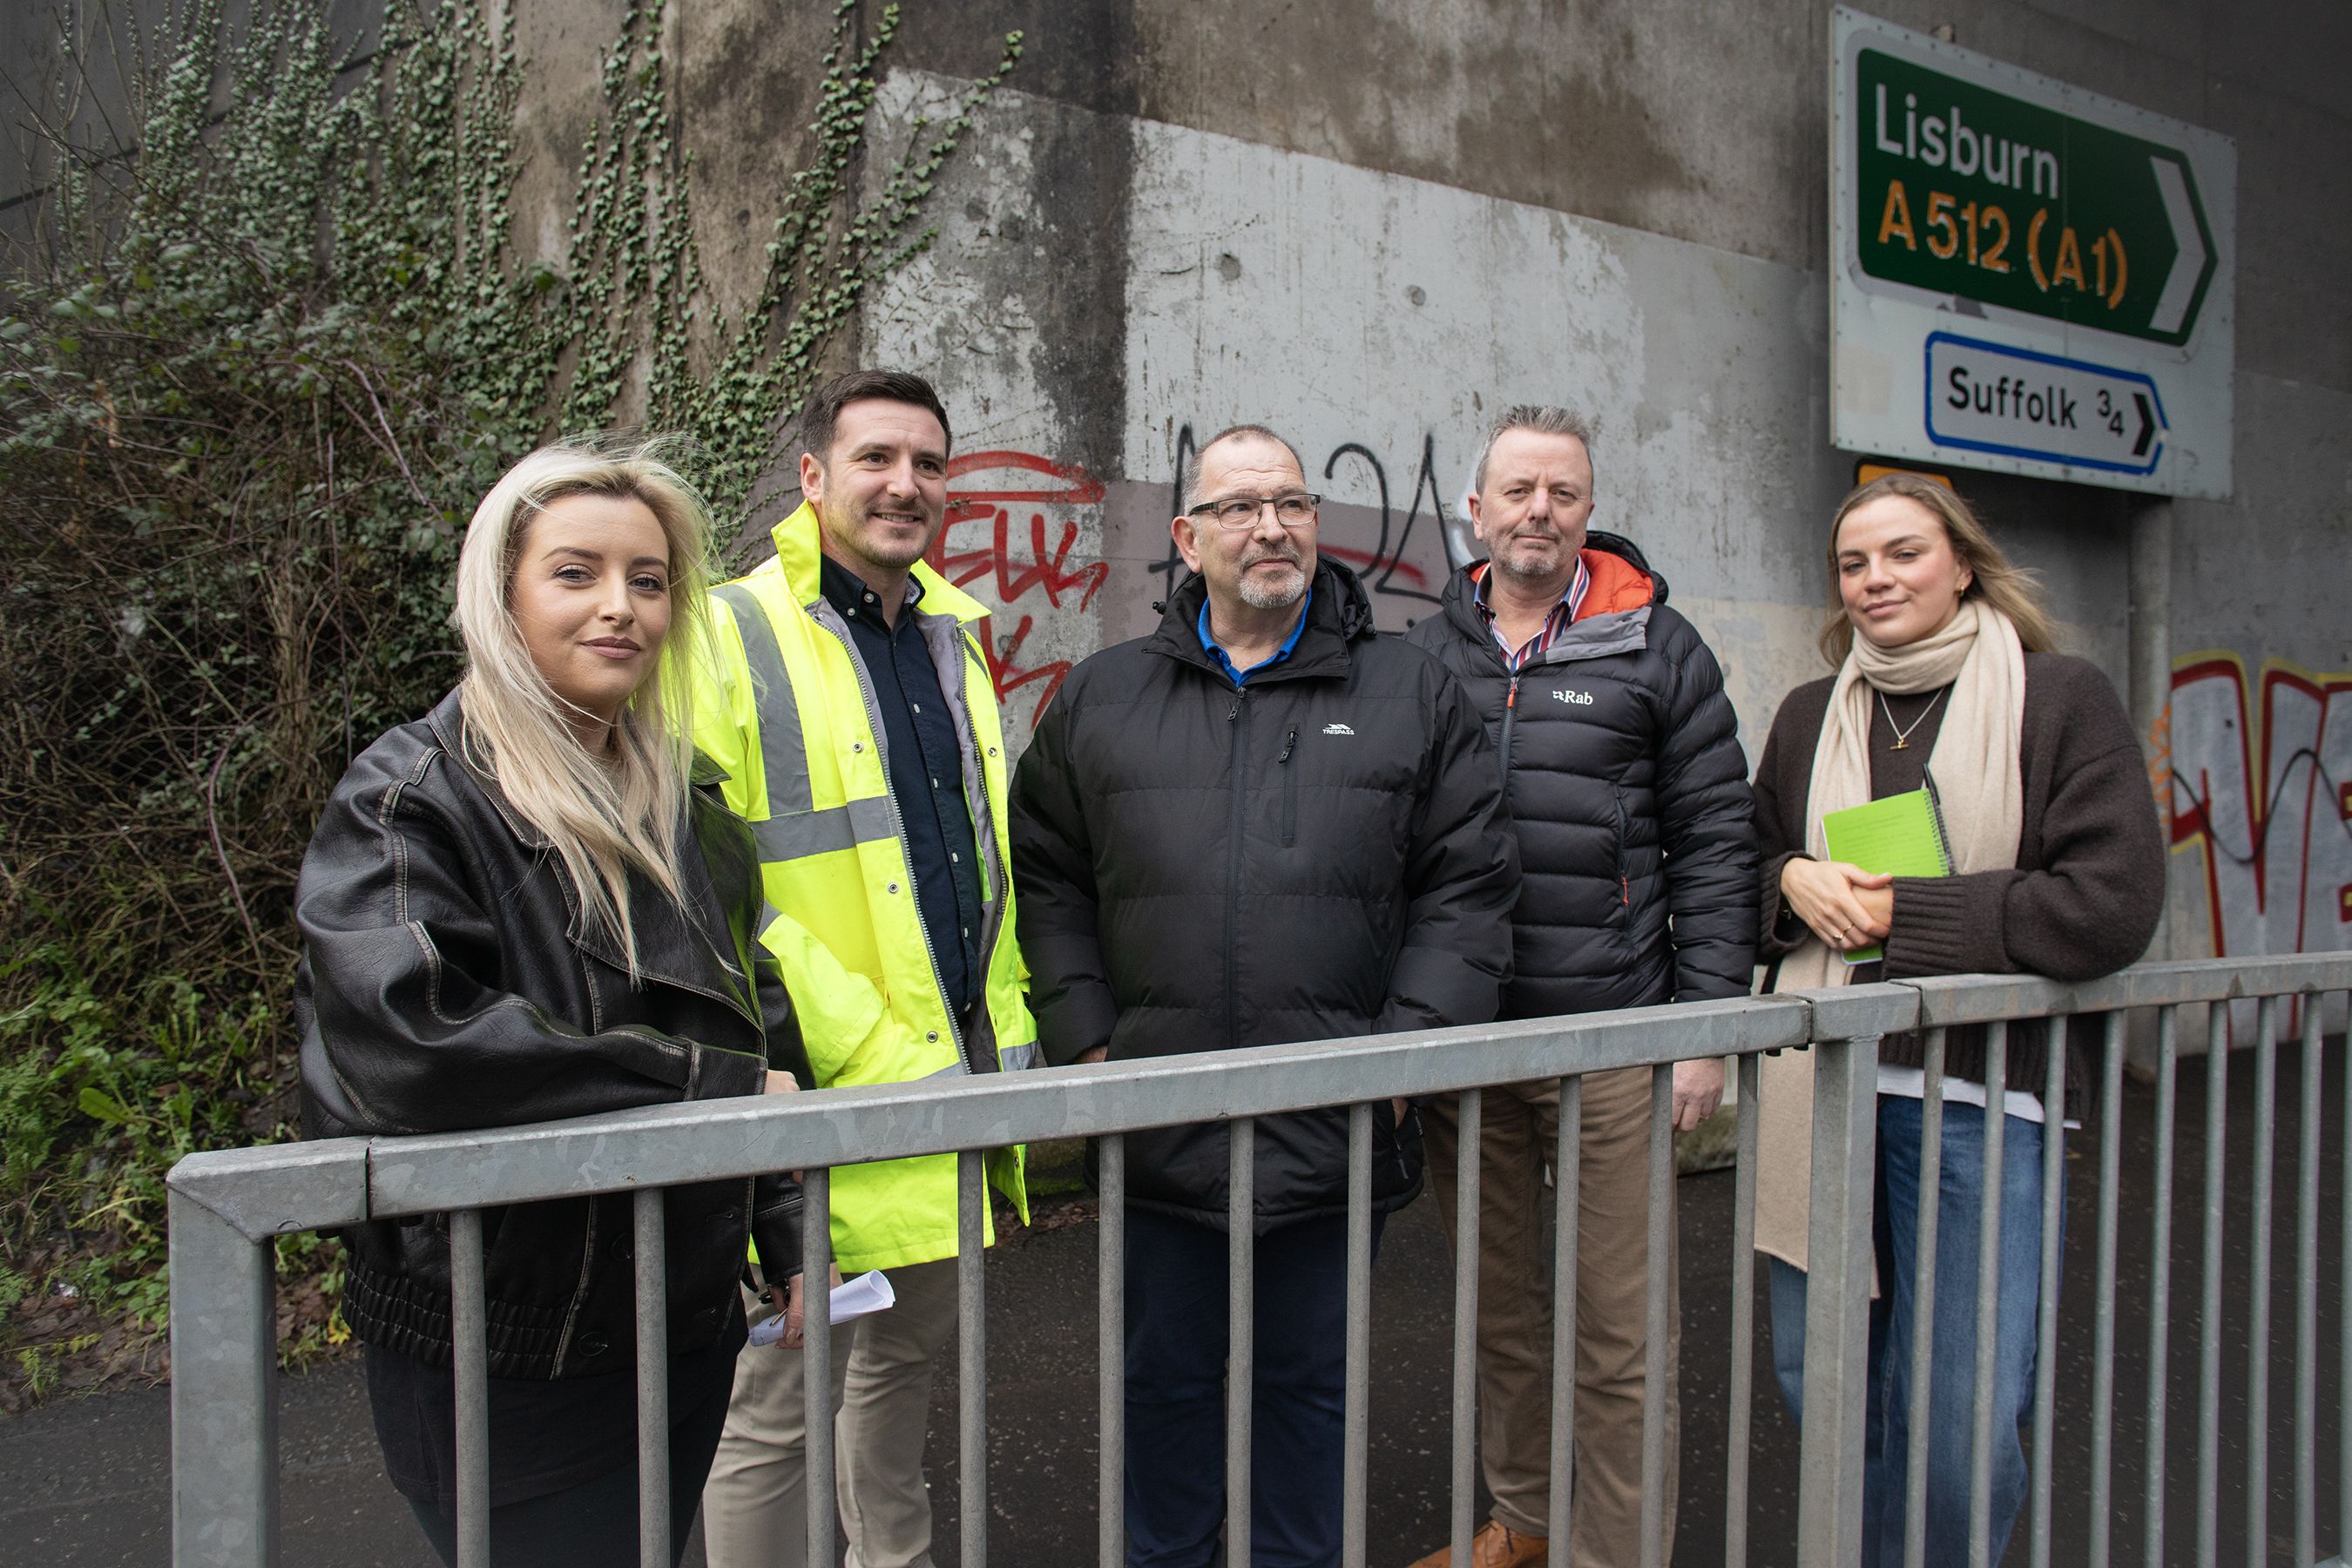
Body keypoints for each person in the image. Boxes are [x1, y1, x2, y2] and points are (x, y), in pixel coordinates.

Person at [1010, 422, 1519, 1568]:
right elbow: (1046, 873)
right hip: (1159, 1129)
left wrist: (1404, 1060)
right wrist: (1087, 1043)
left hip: (1335, 1132)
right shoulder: (1104, 696)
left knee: (1309, 1395)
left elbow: (1469, 884)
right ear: (1188, 537)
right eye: (1239, 507)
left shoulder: (1410, 690)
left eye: (1291, 502)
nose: (1271, 526)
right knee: (1165, 1392)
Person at [295, 441, 809, 1568]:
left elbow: (751, 1016)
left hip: (683, 1321)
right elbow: (416, 1045)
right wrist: (706, 1092)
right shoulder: (409, 801)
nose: (620, 606)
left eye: (648, 579)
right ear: (502, 595)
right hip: (507, 1344)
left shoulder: (690, 805)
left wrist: (787, 1227)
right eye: (576, 573)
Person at [1751, 472, 2164, 1567]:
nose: (1875, 579)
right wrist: (1790, 878)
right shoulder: (1809, 714)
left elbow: (2112, 904)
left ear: (1965, 566)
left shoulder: (2058, 698)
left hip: (1977, 1100)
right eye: (1854, 563)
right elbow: (1738, 867)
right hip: (1821, 1094)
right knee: (1821, 1386)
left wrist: (1908, 915)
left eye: (1904, 553)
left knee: (1959, 1422)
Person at [1402, 406, 1756, 1568]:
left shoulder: (1657, 646)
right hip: (1470, 1047)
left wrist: (1704, 1030)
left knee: (1619, 1336)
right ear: (1477, 511)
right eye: (1518, 491)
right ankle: (1528, 1523)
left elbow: (1718, 843)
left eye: (1562, 492)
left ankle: (1615, 1551)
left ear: (1589, 511)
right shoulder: (1424, 654)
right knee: (1498, 1314)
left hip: (1613, 1041)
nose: (1539, 512)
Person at [693, 369, 1037, 1568]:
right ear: (813, 477)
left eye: (929, 464)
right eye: (877, 459)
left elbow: (970, 868)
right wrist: (844, 1048)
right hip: (809, 1086)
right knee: (778, 1402)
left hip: (940, 1083)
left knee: (900, 1369)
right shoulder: (730, 632)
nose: (906, 485)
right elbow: (706, 883)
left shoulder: (951, 637)